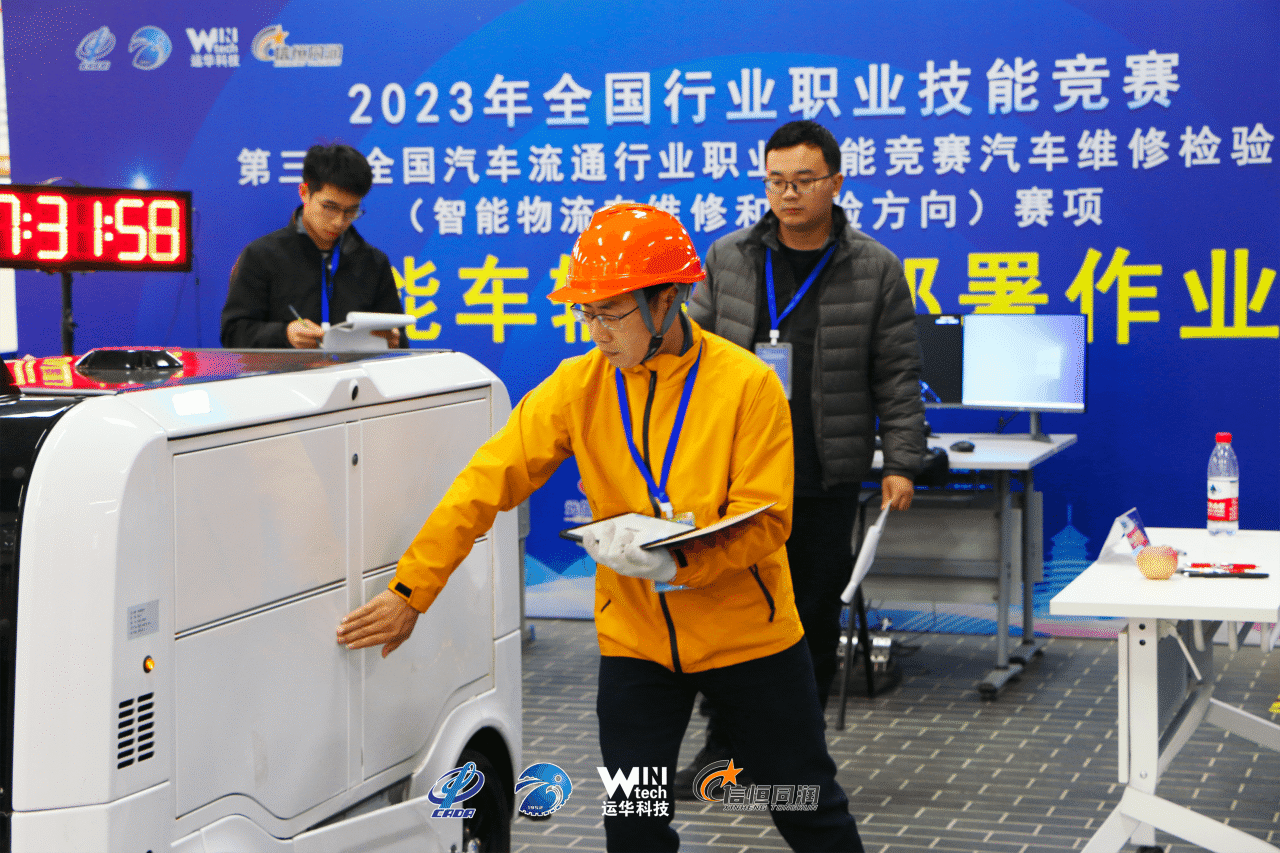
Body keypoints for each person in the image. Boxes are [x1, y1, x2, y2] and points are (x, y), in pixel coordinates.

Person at [337, 203, 865, 853]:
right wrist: (410, 591)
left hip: (750, 640)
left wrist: (679, 563)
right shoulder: (578, 386)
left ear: (667, 300)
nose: (597, 332)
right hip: (636, 645)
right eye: (587, 314)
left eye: (611, 313)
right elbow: (486, 481)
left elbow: (768, 519)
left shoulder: (746, 386)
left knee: (805, 806)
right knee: (634, 826)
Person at [679, 119, 926, 793]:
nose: (788, 194)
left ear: (835, 183)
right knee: (729, 614)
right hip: (736, 475)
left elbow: (896, 372)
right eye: (776, 181)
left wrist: (901, 461)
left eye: (803, 181)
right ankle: (723, 752)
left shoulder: (874, 266)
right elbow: (690, 351)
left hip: (822, 473)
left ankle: (797, 758)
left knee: (810, 620)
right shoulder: (729, 256)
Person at [220, 143, 406, 349]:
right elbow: (232, 333)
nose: (339, 221)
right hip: (285, 371)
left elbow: (400, 338)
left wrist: (393, 341)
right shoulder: (261, 256)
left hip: (353, 370)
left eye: (351, 211)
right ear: (304, 192)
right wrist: (284, 334)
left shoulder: (373, 263)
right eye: (330, 207)